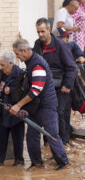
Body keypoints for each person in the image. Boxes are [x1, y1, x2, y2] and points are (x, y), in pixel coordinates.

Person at [10, 39, 69, 170]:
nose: (17, 57)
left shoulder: (37, 65)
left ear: (24, 51)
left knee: (52, 135)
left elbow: (35, 91)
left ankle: (63, 163)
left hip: (46, 106)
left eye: (17, 54)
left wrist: (18, 105)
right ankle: (37, 163)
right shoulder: (30, 60)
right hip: (35, 106)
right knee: (32, 135)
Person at [34, 18, 77, 145]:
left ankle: (63, 142)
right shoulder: (37, 44)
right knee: (46, 113)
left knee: (59, 113)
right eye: (38, 32)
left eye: (42, 31)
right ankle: (48, 141)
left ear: (48, 30)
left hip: (61, 86)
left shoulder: (60, 45)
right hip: (45, 86)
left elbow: (72, 67)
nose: (40, 35)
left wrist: (67, 85)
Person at [0, 50, 24, 166]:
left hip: (16, 112)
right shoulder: (1, 73)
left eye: (3, 65)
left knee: (17, 139)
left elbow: (24, 93)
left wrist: (11, 91)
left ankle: (19, 161)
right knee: (1, 138)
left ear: (10, 63)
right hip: (3, 111)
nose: (1, 67)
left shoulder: (20, 74)